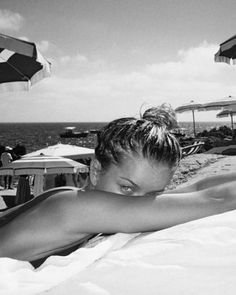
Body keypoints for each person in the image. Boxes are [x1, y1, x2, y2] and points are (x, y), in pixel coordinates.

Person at [0, 104, 236, 267]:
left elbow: (194, 190)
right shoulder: (73, 207)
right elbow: (215, 200)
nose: (139, 205)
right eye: (127, 188)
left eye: (153, 195)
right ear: (95, 170)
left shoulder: (74, 200)